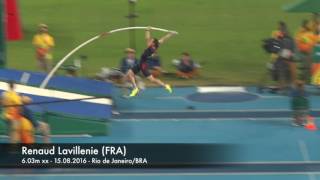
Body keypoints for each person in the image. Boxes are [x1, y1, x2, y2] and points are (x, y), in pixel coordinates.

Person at [126, 27, 177, 97]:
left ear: (152, 43)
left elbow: (147, 38)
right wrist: (170, 34)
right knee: (130, 73)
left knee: (152, 80)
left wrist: (147, 30)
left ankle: (165, 85)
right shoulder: (155, 46)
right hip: (141, 63)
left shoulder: (150, 48)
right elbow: (163, 39)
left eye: (151, 41)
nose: (150, 41)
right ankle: (135, 88)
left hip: (142, 65)